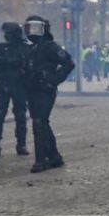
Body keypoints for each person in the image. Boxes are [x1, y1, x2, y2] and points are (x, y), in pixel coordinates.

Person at [22, 15, 75, 173]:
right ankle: (54, 157)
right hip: (32, 90)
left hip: (45, 90)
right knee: (42, 123)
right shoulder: (31, 48)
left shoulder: (50, 46)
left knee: (39, 122)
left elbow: (68, 63)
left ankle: (41, 160)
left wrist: (53, 80)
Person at [0, 21, 31, 158]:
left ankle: (21, 144)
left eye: (7, 33)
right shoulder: (0, 48)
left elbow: (25, 64)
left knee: (20, 116)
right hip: (2, 85)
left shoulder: (25, 48)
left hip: (19, 85)